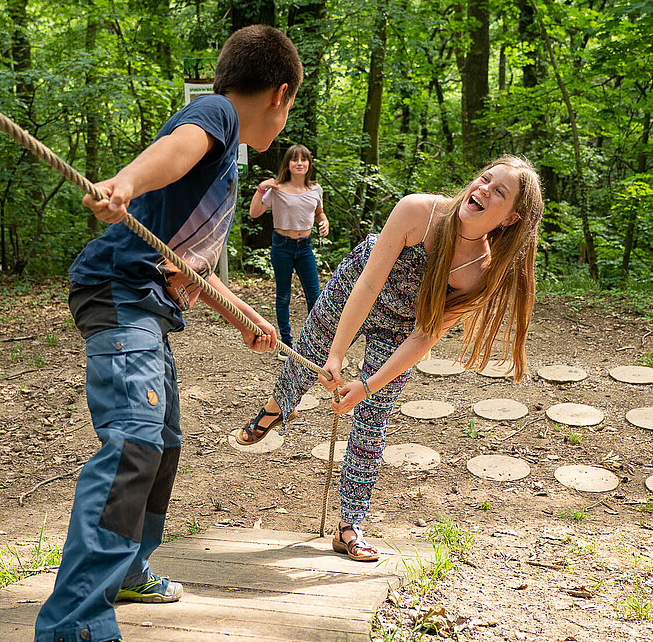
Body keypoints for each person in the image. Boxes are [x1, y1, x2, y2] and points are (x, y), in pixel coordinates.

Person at [31, 25, 301, 642]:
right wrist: (123, 182)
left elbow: (184, 264)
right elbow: (175, 149)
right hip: (118, 293)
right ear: (281, 94)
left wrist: (240, 314)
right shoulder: (215, 117)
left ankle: (127, 569)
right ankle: (74, 633)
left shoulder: (229, 153)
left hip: (146, 300)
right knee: (133, 445)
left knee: (164, 440)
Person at [233, 156, 543, 562]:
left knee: (373, 417)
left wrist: (366, 386)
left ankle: (349, 527)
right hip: (357, 288)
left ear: (510, 218)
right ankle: (277, 408)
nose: (483, 188)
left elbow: (423, 337)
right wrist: (338, 353)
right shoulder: (418, 210)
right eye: (485, 179)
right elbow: (369, 283)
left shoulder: (481, 271)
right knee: (308, 351)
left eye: (498, 191)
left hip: (402, 328)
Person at [250, 144, 329, 359]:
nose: (300, 163)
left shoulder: (315, 189)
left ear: (309, 164)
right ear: (288, 163)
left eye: (304, 160)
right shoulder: (276, 189)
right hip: (282, 247)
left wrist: (324, 222)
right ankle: (286, 343)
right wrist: (261, 188)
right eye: (295, 160)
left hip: (305, 248)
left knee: (315, 296)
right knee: (283, 295)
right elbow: (254, 212)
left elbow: (319, 214)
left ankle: (316, 342)